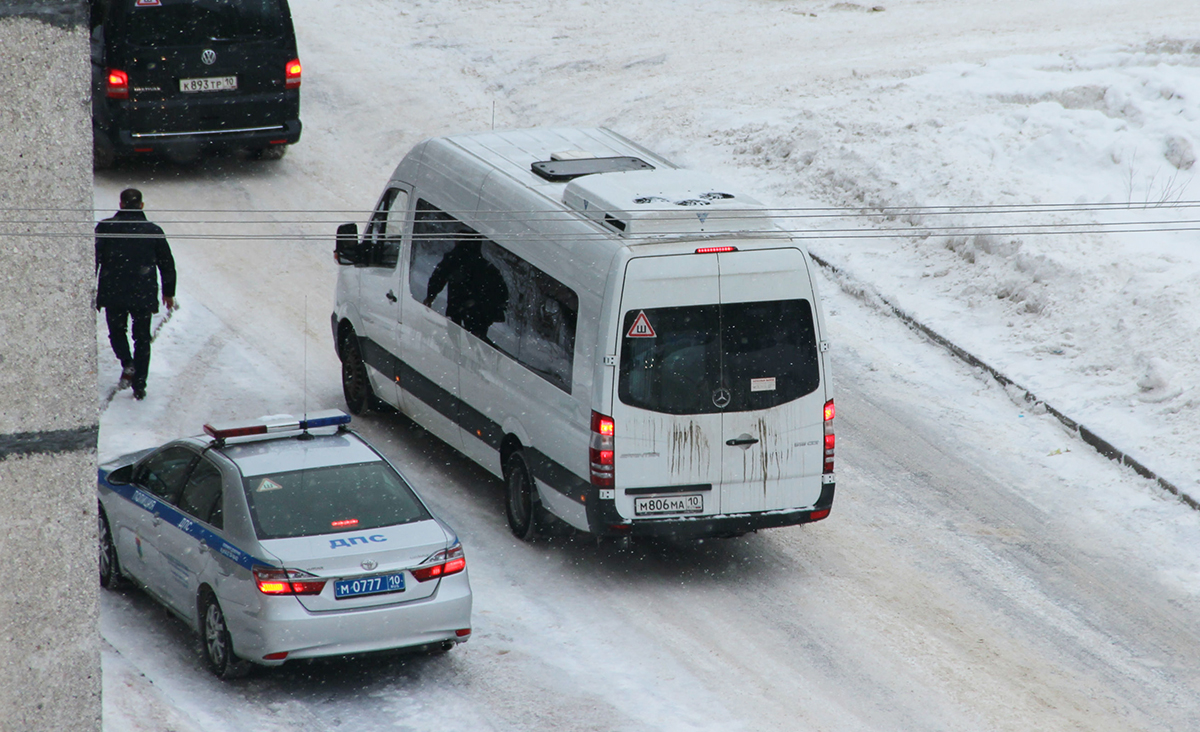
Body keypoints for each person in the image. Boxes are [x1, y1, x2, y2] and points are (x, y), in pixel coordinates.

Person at [95, 188, 176, 400]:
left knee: (116, 332)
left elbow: (92, 259)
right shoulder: (152, 230)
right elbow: (167, 263)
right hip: (143, 292)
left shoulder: (105, 228)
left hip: (114, 291)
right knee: (142, 338)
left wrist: (90, 287)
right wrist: (169, 292)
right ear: (141, 205)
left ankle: (127, 362)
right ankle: (139, 385)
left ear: (121, 204)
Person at [423, 239, 509, 341]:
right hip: (477, 312)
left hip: (462, 308)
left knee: (457, 338)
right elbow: (500, 291)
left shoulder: (455, 259)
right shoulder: (485, 265)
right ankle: (484, 349)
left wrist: (430, 296)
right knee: (474, 341)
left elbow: (439, 276)